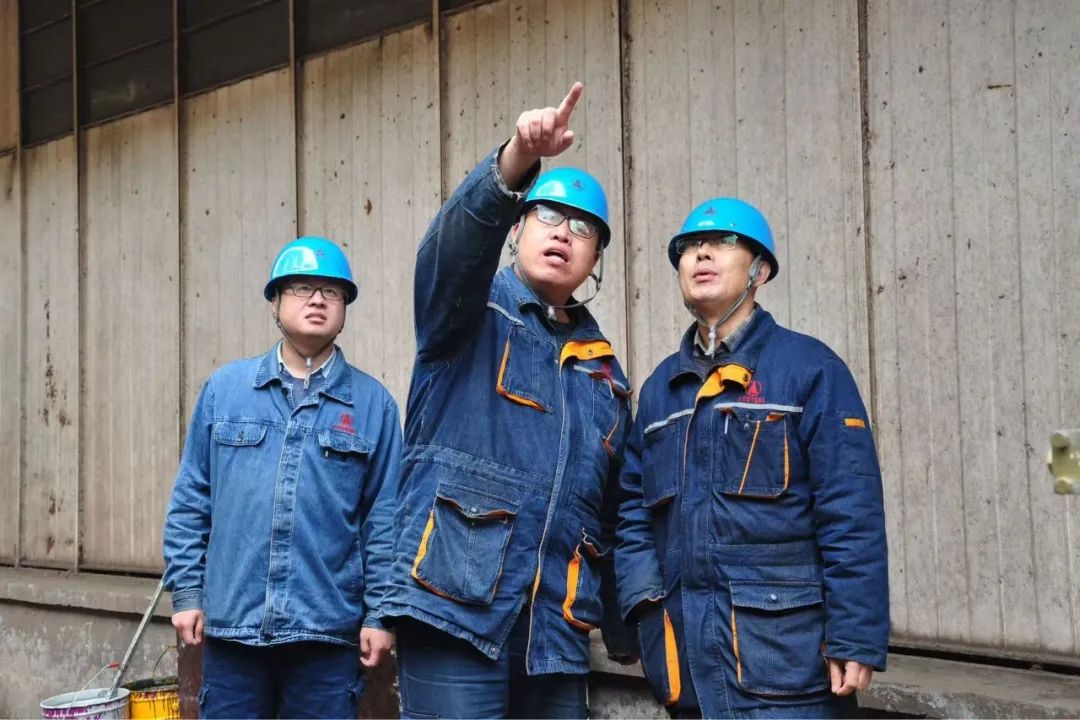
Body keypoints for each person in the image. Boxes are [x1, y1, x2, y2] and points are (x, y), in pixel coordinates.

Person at [382, 82, 636, 719]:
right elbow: (452, 250)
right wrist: (516, 162)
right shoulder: (465, 313)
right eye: (548, 217)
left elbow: (611, 512)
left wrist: (624, 620)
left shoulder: (605, 375)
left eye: (583, 229)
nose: (563, 234)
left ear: (595, 260)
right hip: (453, 610)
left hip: (554, 633)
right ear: (517, 228)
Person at [615, 199, 889, 718]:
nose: (702, 254)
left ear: (759, 271)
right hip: (687, 664)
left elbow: (850, 509)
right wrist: (644, 605)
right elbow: (632, 510)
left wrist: (855, 633)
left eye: (723, 242)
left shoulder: (809, 369)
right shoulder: (660, 390)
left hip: (786, 663)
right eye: (690, 247)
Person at [162, 236, 401, 719]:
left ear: (344, 308)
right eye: (301, 288)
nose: (317, 300)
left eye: (331, 292)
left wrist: (381, 615)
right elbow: (192, 498)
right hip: (234, 628)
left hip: (325, 635)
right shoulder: (225, 391)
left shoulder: (373, 405)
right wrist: (187, 592)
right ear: (275, 302)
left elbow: (386, 521)